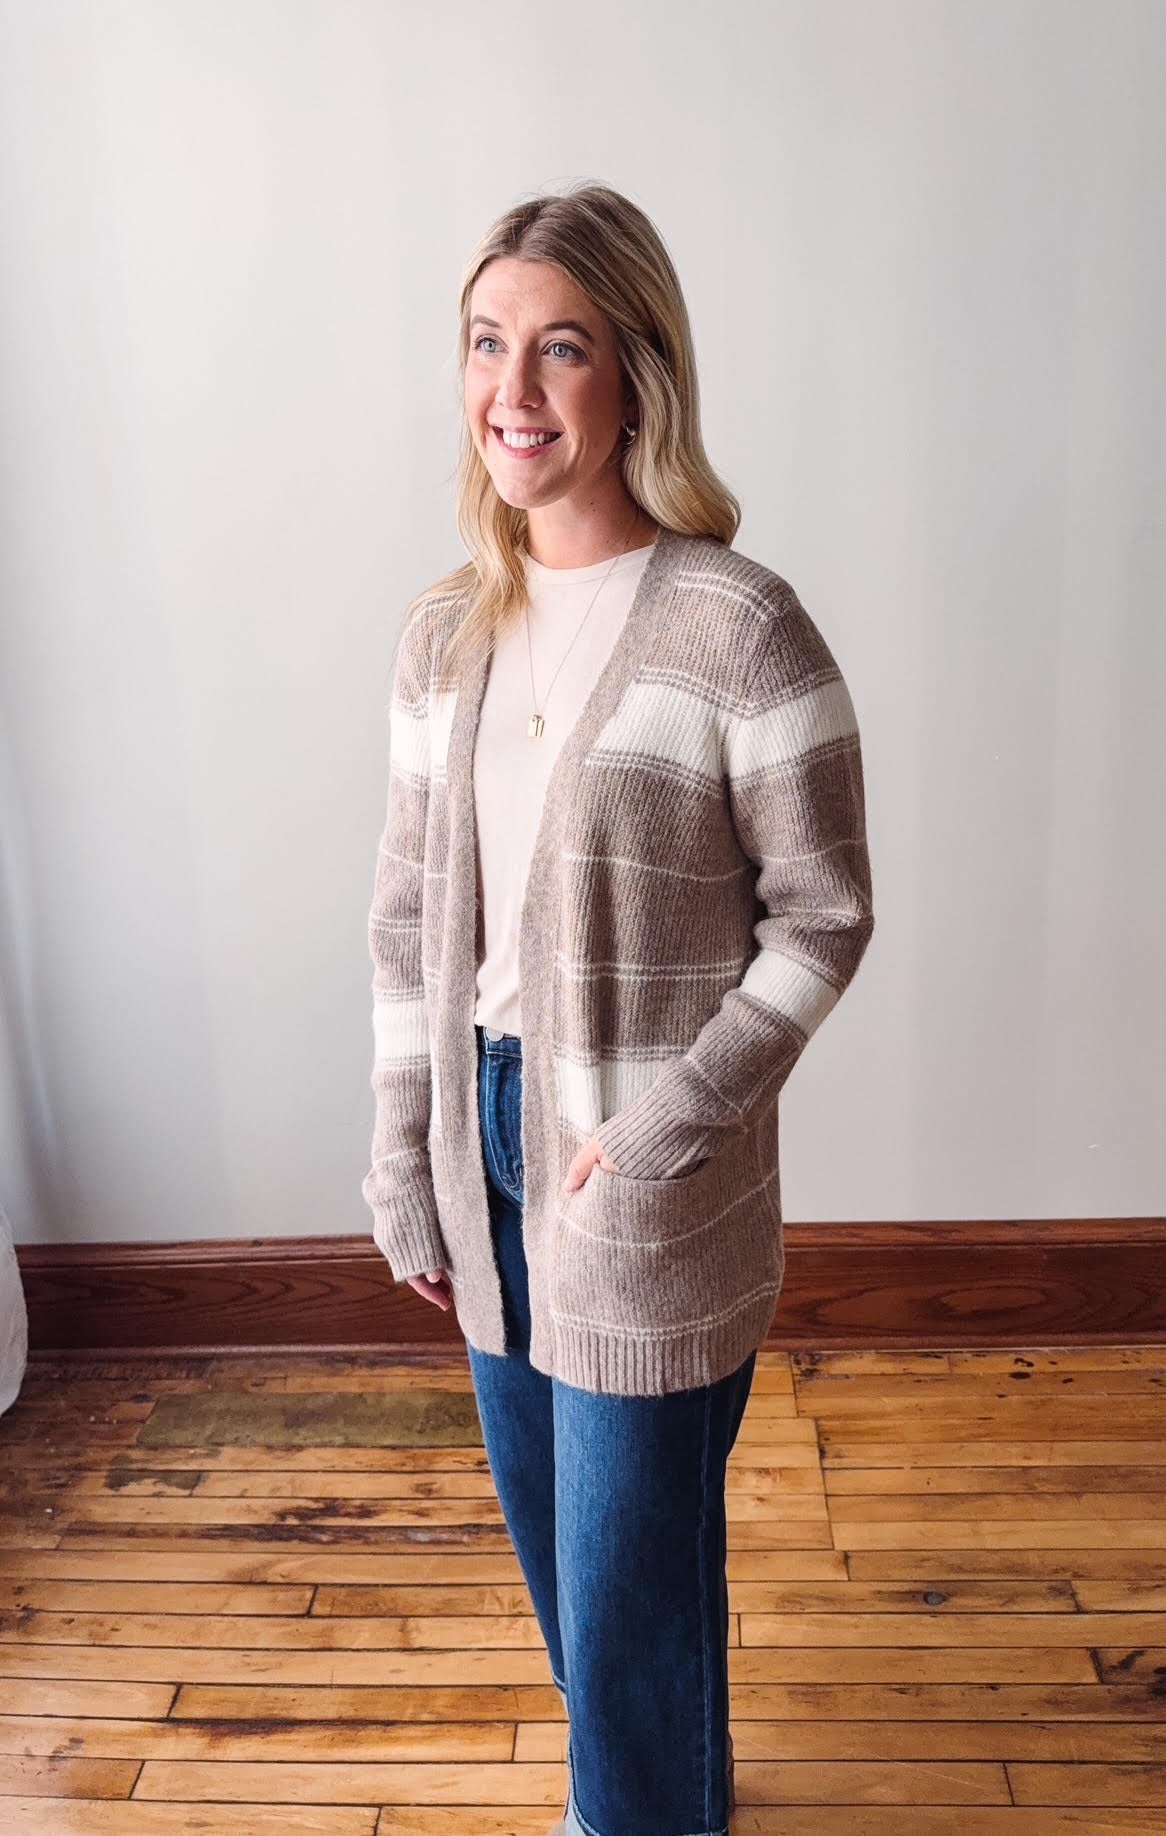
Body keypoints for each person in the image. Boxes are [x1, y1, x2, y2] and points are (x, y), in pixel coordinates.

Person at [361, 181, 875, 1836]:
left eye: (559, 348)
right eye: (486, 344)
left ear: (636, 376)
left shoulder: (738, 628)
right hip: (485, 1146)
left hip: (643, 1168)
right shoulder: (444, 637)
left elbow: (823, 915)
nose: (511, 389)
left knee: (629, 1576)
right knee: (577, 1588)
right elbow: (408, 923)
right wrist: (405, 1148)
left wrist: (663, 1130)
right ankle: (659, 1796)